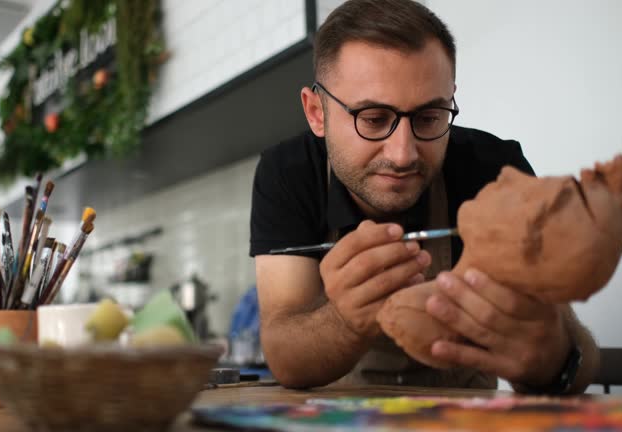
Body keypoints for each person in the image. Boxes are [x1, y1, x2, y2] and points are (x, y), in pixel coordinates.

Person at [249, 0, 599, 393]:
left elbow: (576, 350)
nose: (403, 154)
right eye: (374, 119)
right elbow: (285, 354)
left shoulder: (495, 171)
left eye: (428, 117)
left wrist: (555, 357)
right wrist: (344, 320)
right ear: (317, 113)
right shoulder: (288, 174)